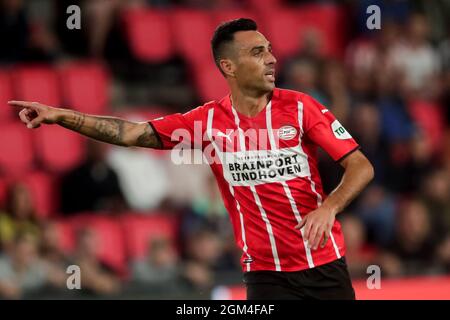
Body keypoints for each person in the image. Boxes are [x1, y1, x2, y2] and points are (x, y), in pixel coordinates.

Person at [8, 18, 374, 300]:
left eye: (269, 49)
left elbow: (360, 165)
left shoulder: (300, 107)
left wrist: (330, 206)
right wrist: (61, 115)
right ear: (229, 67)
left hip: (325, 265)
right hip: (266, 275)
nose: (272, 58)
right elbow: (130, 133)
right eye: (257, 52)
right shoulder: (207, 121)